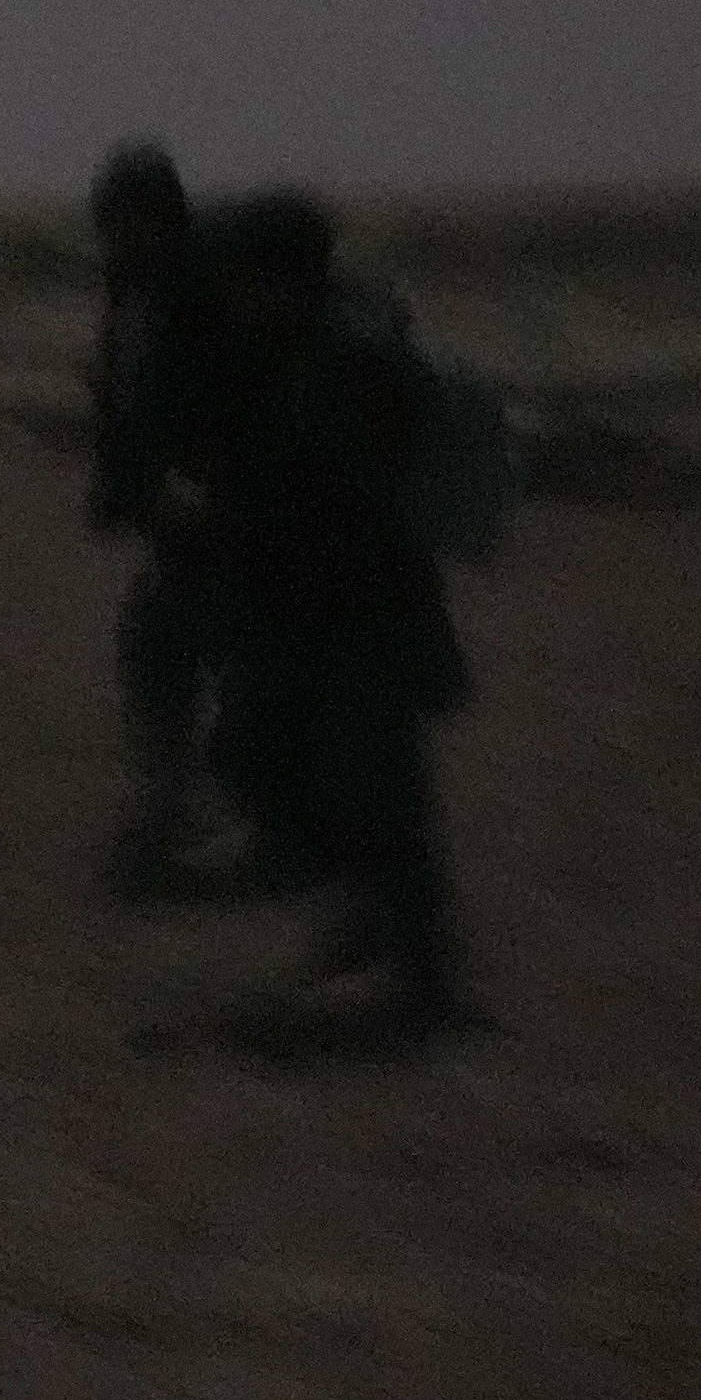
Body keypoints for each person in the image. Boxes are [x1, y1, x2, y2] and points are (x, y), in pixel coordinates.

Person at [163, 192, 476, 1049]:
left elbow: (336, 496)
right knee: (261, 760)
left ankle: (420, 979)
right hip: (300, 611)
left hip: (358, 612)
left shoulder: (352, 358)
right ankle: (369, 923)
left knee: (374, 786)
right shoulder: (291, 348)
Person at [82, 142, 265, 900]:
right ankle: (178, 817)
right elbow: (128, 398)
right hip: (183, 518)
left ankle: (185, 824)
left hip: (227, 515)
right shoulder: (142, 288)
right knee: (163, 650)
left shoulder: (200, 288)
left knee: (196, 656)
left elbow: (225, 399)